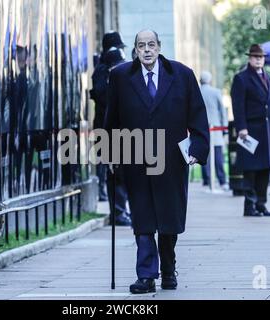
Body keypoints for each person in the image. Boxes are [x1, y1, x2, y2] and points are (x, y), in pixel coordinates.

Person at [105, 30, 209, 294]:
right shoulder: (120, 76)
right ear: (136, 50)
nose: (147, 50)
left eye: (151, 45)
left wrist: (197, 147)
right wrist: (111, 155)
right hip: (136, 159)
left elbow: (197, 115)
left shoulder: (181, 74)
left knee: (168, 217)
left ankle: (168, 268)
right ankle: (146, 275)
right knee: (142, 217)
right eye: (142, 46)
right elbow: (112, 120)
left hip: (172, 159)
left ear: (159, 47)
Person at [231, 44, 270, 217]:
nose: (259, 59)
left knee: (265, 169)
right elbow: (238, 106)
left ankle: (261, 204)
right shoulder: (241, 78)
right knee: (250, 169)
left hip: (265, 130)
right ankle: (249, 206)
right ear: (249, 58)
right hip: (250, 131)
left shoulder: (268, 77)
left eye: (261, 57)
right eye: (256, 57)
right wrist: (241, 127)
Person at [90, 32, 131, 227]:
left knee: (122, 172)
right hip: (109, 131)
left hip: (118, 130)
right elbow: (104, 99)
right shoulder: (103, 73)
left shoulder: (109, 72)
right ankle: (118, 211)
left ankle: (121, 209)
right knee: (116, 172)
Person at [199, 71, 229, 190]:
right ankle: (222, 180)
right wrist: (224, 127)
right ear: (210, 81)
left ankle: (206, 180)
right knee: (218, 155)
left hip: (201, 127)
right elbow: (222, 111)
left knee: (203, 154)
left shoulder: (197, 91)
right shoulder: (216, 92)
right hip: (216, 127)